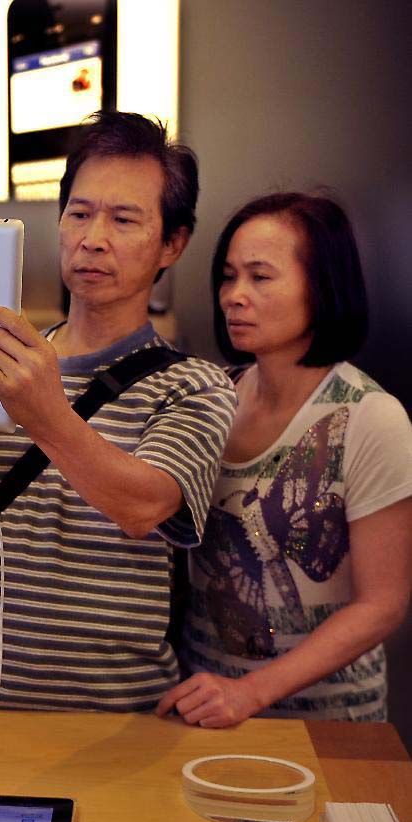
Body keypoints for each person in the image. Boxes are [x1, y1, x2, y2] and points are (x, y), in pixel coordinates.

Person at [0, 111, 236, 711]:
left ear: (173, 243)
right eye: (79, 213)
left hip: (113, 717)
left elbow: (144, 507)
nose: (93, 238)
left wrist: (43, 410)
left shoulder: (195, 385)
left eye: (125, 219)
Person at [157, 193, 412, 727]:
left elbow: (383, 603)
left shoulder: (370, 416)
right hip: (206, 706)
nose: (234, 296)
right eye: (228, 276)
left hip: (330, 722)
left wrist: (251, 693)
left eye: (260, 277)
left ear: (321, 287)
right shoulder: (212, 397)